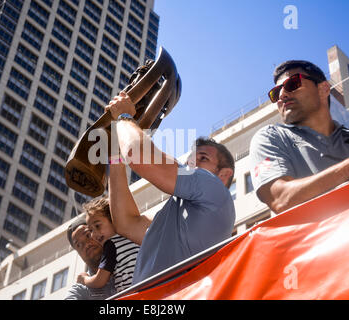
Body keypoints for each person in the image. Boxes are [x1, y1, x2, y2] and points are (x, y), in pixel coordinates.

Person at [105, 91, 236, 285]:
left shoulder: (213, 188)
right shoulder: (180, 210)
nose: (192, 162)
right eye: (192, 157)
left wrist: (124, 117)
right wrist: (115, 154)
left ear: (224, 175)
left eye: (203, 158)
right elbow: (127, 224)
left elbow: (138, 155)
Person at [249, 60, 349, 214]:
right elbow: (280, 199)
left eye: (292, 84)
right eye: (276, 93)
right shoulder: (271, 138)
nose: (282, 95)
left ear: (324, 89)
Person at [77, 197, 140, 293]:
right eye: (91, 230)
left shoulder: (111, 245)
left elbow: (99, 281)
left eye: (97, 226)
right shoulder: (131, 235)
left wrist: (84, 279)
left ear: (113, 220)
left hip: (133, 293)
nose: (93, 234)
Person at [64, 218, 116, 300]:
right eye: (79, 245)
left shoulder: (128, 258)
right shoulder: (80, 289)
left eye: (88, 235)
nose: (86, 245)